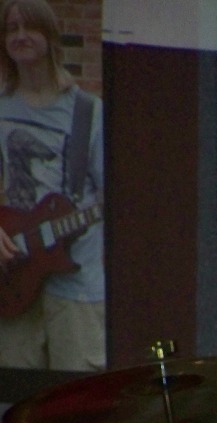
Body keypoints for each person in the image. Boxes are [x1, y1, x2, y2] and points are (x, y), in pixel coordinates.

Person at [0, 0, 104, 371]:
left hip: (76, 281)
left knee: (77, 394)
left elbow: (117, 197)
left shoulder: (87, 112)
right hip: (12, 277)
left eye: (30, 27)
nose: (20, 36)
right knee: (14, 396)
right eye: (11, 28)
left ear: (50, 36)